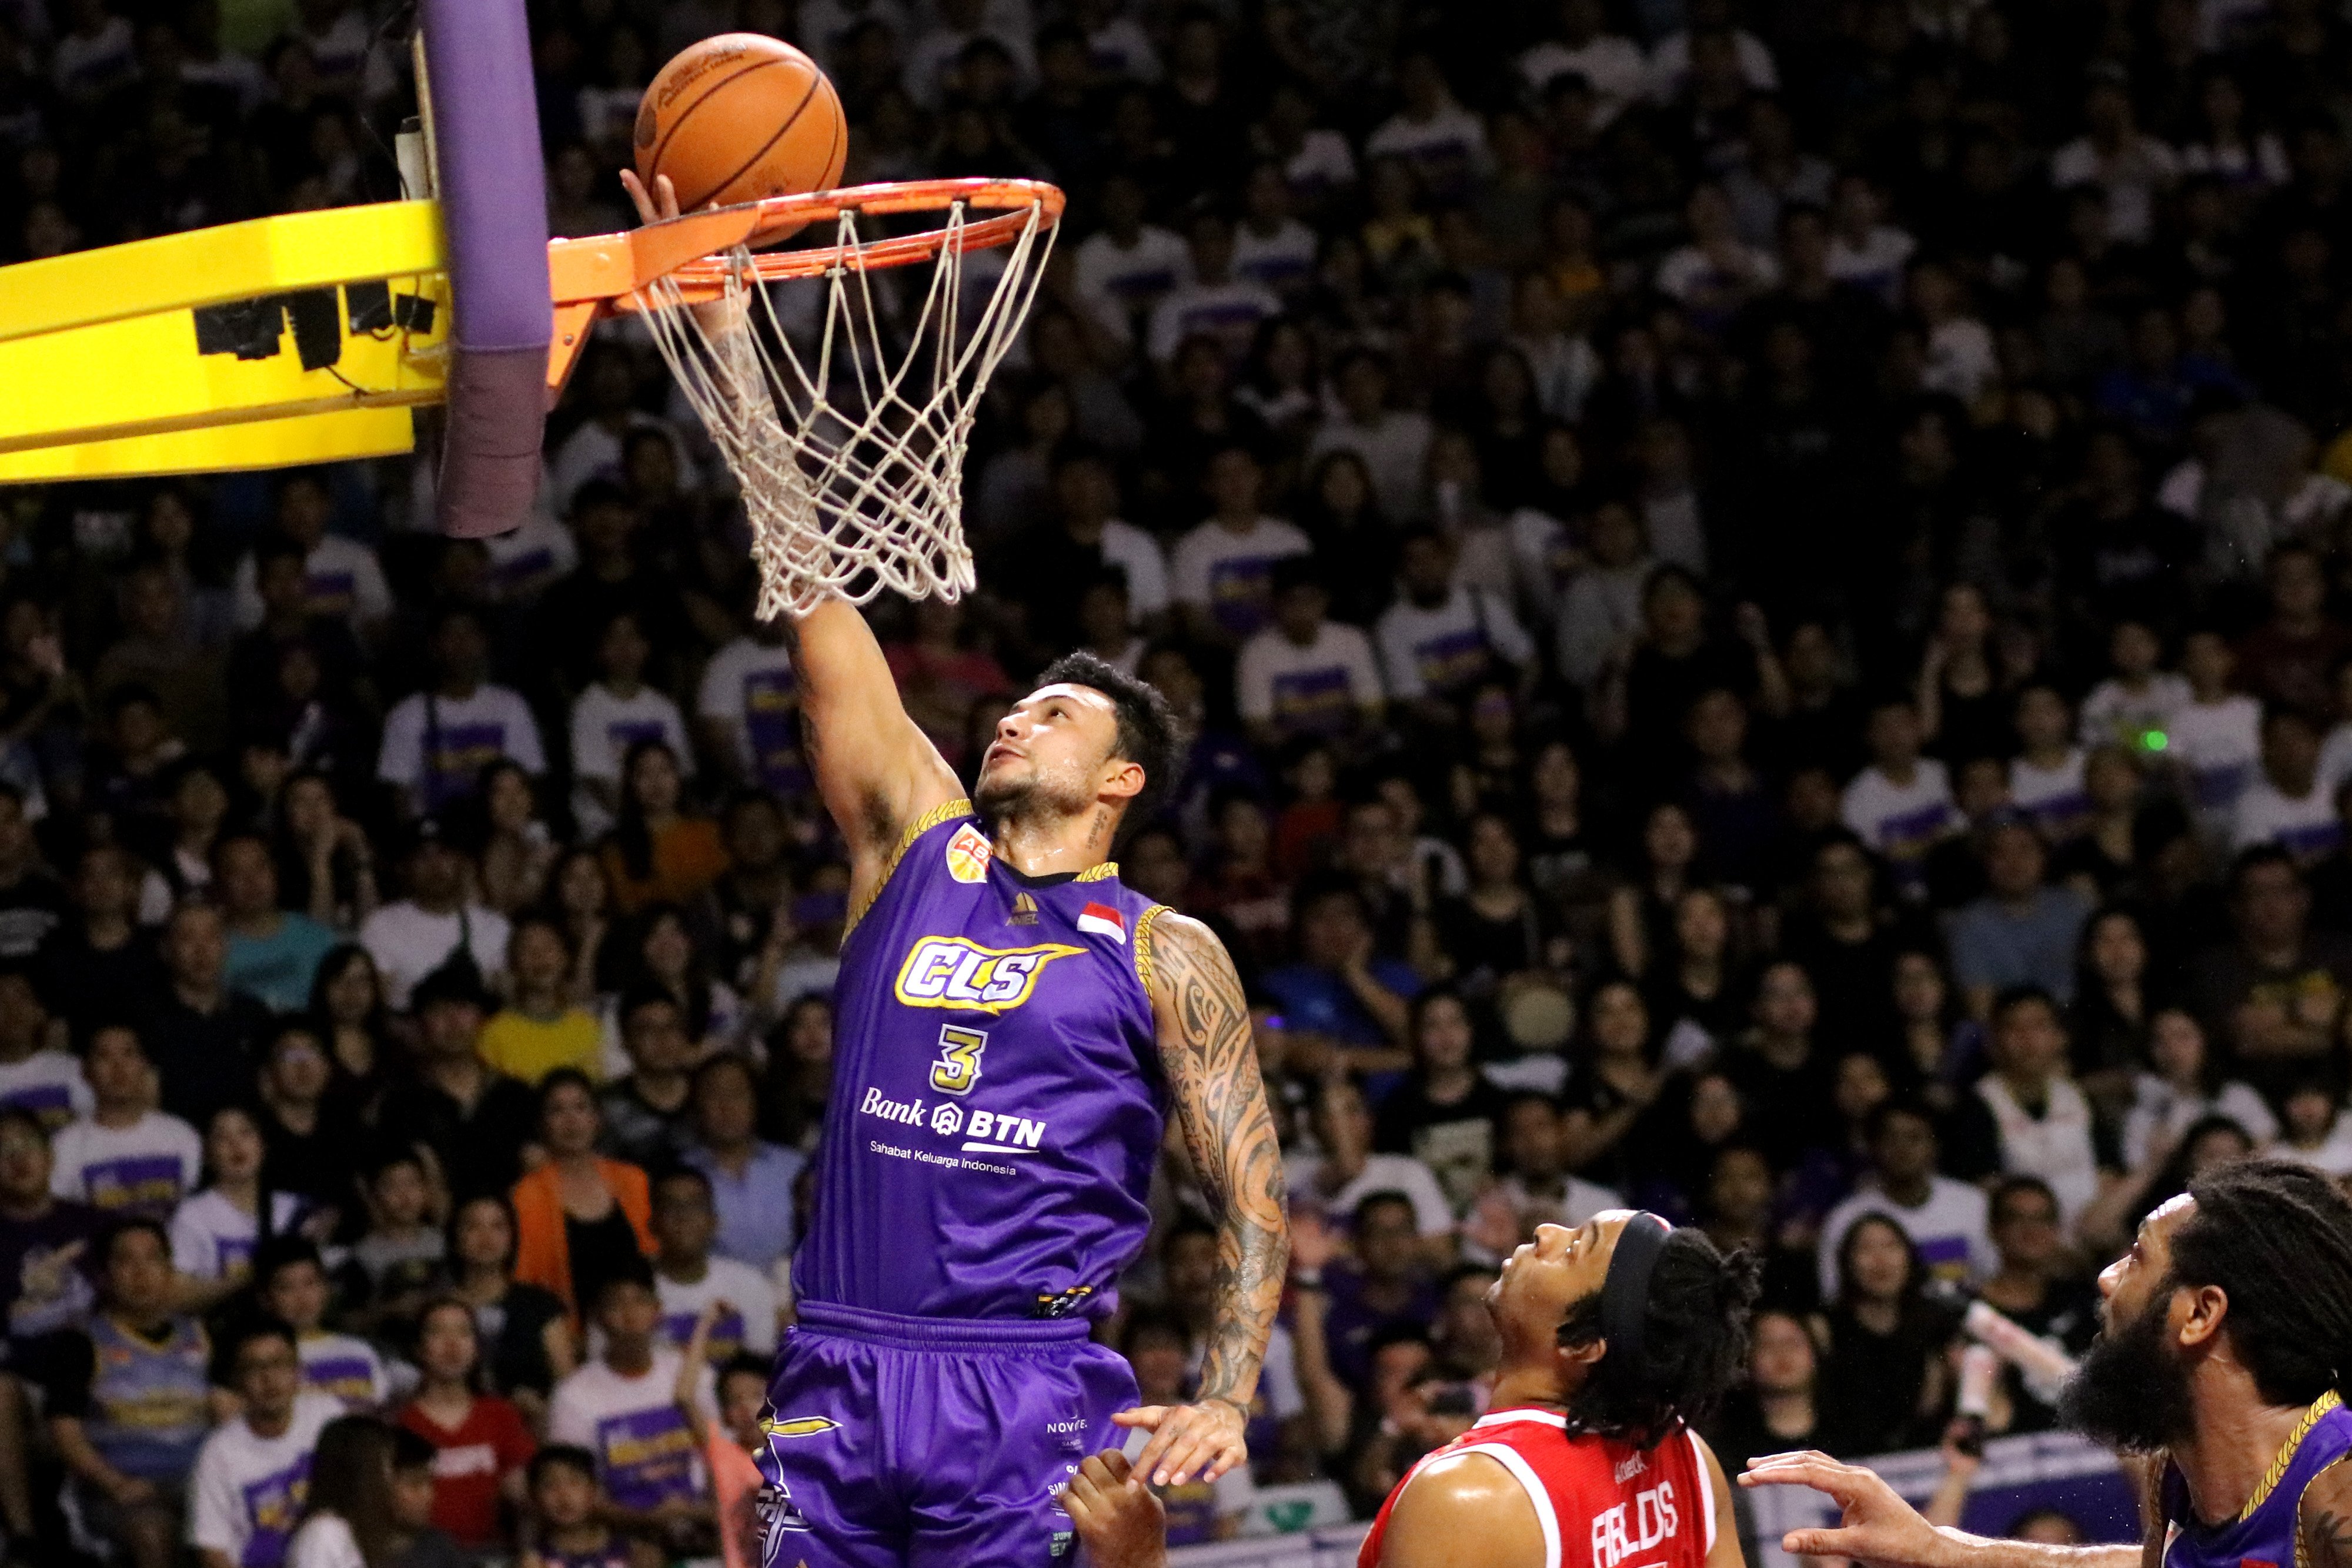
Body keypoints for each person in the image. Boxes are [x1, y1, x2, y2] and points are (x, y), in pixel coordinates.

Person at [620, 169, 1287, 1556]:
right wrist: (727, 341)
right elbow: (812, 601)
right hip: (840, 1367)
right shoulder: (915, 846)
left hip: (1024, 1385)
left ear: (1121, 781)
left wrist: (1225, 1391)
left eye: (1054, 712)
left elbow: (1251, 1195)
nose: (1010, 714)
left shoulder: (1163, 950)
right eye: (1011, 700)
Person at [1743, 1161, 2352, 1568]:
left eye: (2136, 1258)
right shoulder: (2173, 1473)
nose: (2105, 1277)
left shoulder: (2335, 1492)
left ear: (2199, 1314)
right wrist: (1939, 1549)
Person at [1356, 1211, 1755, 1568]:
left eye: (1574, 1249)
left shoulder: (1467, 1497)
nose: (1546, 1233)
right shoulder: (1690, 1459)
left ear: (1582, 1343)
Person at [41, 1217, 211, 1568]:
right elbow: (64, 1433)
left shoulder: (203, 1336)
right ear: (104, 1275)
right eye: (126, 1261)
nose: (141, 1273)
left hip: (201, 1484)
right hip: (118, 1488)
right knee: (151, 1532)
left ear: (169, 1270)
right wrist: (115, 1483)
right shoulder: (81, 1343)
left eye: (153, 1260)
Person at [546, 1263, 713, 1557]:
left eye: (640, 1301)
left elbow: (721, 1457)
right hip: (621, 1544)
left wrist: (701, 1512)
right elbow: (571, 1491)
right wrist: (646, 1520)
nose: (630, 1313)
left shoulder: (690, 1374)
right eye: (616, 1304)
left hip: (707, 1528)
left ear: (657, 1310)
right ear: (597, 1318)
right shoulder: (573, 1395)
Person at [188, 1319, 343, 1568]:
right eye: (254, 1368)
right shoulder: (218, 1453)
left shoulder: (329, 1418)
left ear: (298, 1370)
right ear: (237, 1380)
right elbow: (212, 1551)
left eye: (279, 1364)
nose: (269, 1378)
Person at [509, 1069, 652, 1329]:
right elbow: (526, 1281)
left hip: (638, 1330)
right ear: (542, 1125)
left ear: (597, 1119)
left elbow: (652, 1255)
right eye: (557, 1110)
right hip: (565, 1334)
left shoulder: (634, 1181)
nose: (571, 1120)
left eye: (580, 1107)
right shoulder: (526, 1195)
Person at [394, 1298, 534, 1554]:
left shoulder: (500, 1415)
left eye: (464, 1332)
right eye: (438, 1333)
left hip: (492, 1553)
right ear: (419, 1348)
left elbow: (524, 1497)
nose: (453, 1344)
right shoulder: (400, 1422)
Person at [284, 1414, 398, 1568]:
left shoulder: (350, 1531)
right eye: (385, 1465)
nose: (390, 1476)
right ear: (362, 1471)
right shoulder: (324, 1533)